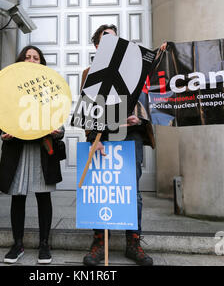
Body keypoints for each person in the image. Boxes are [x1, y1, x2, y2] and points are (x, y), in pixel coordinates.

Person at [81, 25, 156, 266]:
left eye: (114, 39)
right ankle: (99, 242)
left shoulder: (136, 67)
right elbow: (86, 109)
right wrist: (93, 138)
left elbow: (150, 100)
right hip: (102, 137)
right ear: (97, 46)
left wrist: (140, 117)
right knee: (100, 187)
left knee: (131, 190)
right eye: (105, 40)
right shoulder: (88, 72)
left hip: (130, 135)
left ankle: (133, 242)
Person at [0, 45, 65, 265]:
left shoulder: (52, 87)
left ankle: (45, 244)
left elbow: (60, 114)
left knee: (44, 197)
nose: (32, 60)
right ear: (20, 61)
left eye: (36, 57)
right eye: (27, 57)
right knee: (18, 197)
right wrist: (2, 133)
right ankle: (17, 244)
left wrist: (58, 131)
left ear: (41, 63)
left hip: (41, 149)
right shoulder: (8, 87)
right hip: (18, 149)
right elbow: (0, 111)